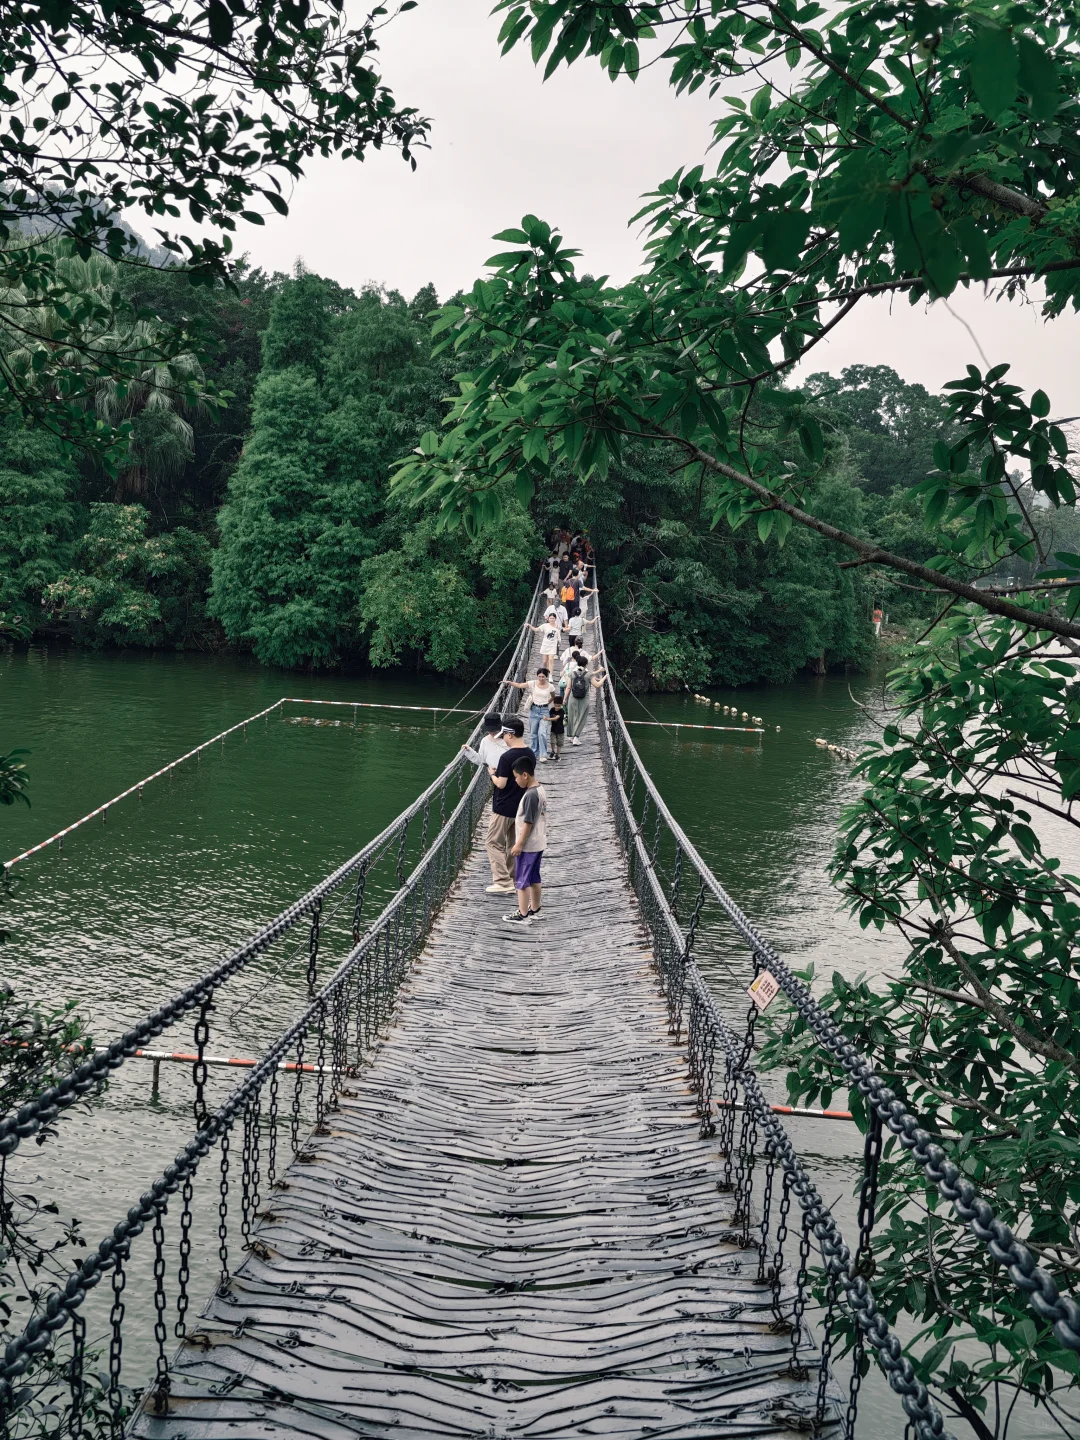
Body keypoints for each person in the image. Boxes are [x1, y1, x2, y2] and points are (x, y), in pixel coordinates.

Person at [486, 716, 533, 894]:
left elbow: (501, 784)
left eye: (504, 734)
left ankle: (502, 880)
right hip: (520, 805)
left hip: (503, 806)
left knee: (492, 842)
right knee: (512, 843)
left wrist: (492, 774)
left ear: (511, 734)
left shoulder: (506, 757)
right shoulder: (529, 753)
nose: (503, 738)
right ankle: (512, 878)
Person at [505, 751, 547, 924]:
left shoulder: (530, 795)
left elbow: (528, 822)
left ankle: (522, 914)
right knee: (534, 877)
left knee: (522, 880)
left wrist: (518, 845)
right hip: (539, 842)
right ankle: (535, 908)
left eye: (516, 777)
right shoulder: (540, 789)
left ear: (525, 775)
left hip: (528, 845)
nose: (515, 781)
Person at [508, 665, 555, 761]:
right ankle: (534, 752)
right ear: (537, 676)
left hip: (544, 711)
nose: (541, 678)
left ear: (546, 677)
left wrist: (547, 703)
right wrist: (509, 683)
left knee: (542, 733)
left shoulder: (550, 686)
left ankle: (543, 755)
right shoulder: (533, 683)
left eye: (543, 677)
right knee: (533, 733)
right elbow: (521, 685)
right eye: (539, 676)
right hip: (534, 710)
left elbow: (553, 696)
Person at [563, 650, 607, 746]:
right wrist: (605, 677)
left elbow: (568, 687)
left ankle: (570, 736)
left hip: (572, 697)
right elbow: (598, 685)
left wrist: (564, 699)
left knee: (571, 716)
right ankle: (576, 737)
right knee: (581, 717)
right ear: (586, 664)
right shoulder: (588, 674)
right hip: (584, 698)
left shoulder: (572, 673)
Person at [525, 609, 563, 680]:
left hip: (553, 645)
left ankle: (550, 675)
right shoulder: (545, 625)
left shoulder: (557, 627)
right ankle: (545, 673)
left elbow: (559, 635)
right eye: (550, 618)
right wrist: (529, 625)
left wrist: (559, 642)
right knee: (545, 661)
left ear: (555, 619)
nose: (552, 619)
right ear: (548, 618)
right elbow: (536, 629)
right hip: (545, 645)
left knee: (551, 660)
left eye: (553, 618)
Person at [548, 693, 565, 762]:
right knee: (552, 741)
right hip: (553, 729)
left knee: (559, 743)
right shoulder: (552, 710)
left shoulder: (562, 711)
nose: (557, 707)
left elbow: (556, 718)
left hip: (560, 730)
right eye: (556, 706)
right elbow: (548, 714)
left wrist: (547, 719)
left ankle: (558, 754)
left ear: (561, 705)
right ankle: (552, 751)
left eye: (559, 706)